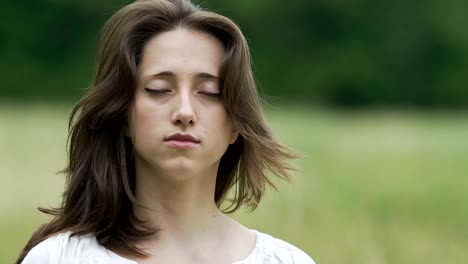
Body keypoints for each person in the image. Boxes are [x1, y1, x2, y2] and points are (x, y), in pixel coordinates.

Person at [17, 0, 316, 263]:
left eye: (210, 92)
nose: (184, 112)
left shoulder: (285, 260)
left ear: (237, 123)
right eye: (159, 89)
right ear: (122, 114)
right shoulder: (59, 258)